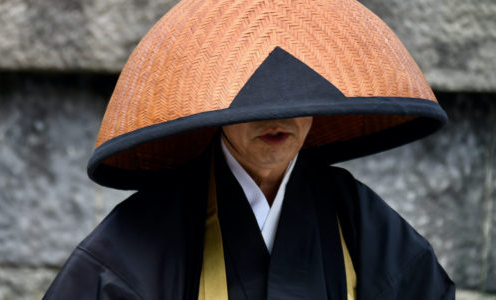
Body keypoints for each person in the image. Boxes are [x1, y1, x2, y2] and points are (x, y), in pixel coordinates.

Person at [44, 0, 455, 299]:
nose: (276, 118)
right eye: (253, 103)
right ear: (214, 107)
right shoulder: (144, 237)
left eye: (298, 99)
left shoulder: (357, 219)